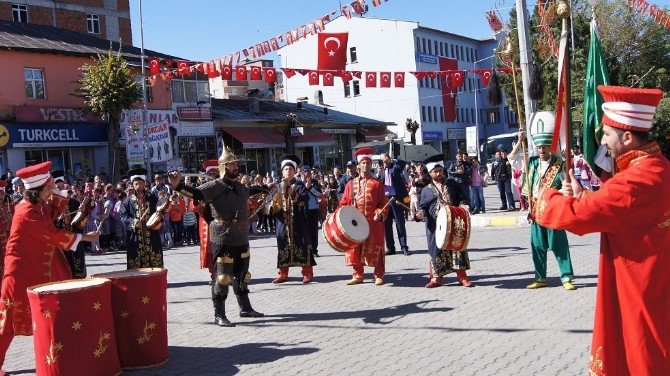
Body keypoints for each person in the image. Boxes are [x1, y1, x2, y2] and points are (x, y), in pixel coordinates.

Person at [534, 86, 669, 374]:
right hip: (658, 279)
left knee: (642, 355)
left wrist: (545, 197)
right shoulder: (659, 167)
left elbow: (580, 216)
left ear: (628, 137)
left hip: (638, 284)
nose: (603, 142)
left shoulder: (633, 181)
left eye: (607, 134)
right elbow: (619, 209)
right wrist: (582, 192)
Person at [0, 161, 99, 372]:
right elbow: (53, 234)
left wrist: (58, 191)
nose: (51, 191)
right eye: (48, 188)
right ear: (36, 191)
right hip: (21, 272)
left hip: (40, 268)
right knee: (8, 323)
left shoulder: (39, 206)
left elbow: (53, 210)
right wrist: (85, 238)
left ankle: (59, 356)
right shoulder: (26, 211)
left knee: (51, 313)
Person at [168, 147, 263, 327]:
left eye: (236, 164)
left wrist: (264, 189)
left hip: (241, 236)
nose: (236, 167)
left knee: (243, 275)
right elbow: (195, 194)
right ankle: (219, 314)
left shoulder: (239, 186)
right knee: (223, 277)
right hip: (223, 237)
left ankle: (245, 308)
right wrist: (178, 186)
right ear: (223, 167)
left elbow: (248, 192)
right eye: (232, 164)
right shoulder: (215, 185)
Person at [508, 112, 575, 290]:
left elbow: (567, 187)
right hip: (536, 210)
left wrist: (557, 192)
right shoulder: (531, 163)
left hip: (553, 208)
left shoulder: (559, 164)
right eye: (539, 148)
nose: (542, 151)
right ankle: (540, 277)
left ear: (549, 147)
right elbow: (512, 160)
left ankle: (566, 277)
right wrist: (519, 140)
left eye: (545, 147)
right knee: (537, 245)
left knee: (558, 244)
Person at [419, 154, 473, 288]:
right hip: (435, 225)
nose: (438, 173)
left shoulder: (452, 183)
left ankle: (462, 277)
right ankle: (436, 279)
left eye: (440, 170)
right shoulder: (426, 190)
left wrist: (463, 204)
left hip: (453, 222)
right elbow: (423, 207)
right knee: (436, 250)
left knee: (457, 248)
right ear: (430, 173)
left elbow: (463, 197)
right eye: (435, 171)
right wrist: (420, 213)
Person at [338, 148, 389, 285]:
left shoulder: (377, 184)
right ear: (358, 166)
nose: (365, 165)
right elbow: (343, 202)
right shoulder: (350, 184)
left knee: (376, 248)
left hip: (373, 222)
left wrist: (380, 212)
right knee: (355, 247)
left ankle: (379, 274)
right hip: (354, 223)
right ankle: (358, 274)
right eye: (363, 163)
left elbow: (383, 203)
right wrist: (339, 214)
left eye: (368, 163)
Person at [270, 157, 316, 283]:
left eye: (291, 169)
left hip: (298, 222)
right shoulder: (277, 187)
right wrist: (271, 206)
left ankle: (307, 273)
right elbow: (271, 203)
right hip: (282, 223)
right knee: (283, 246)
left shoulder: (300, 185)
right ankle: (283, 273)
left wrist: (292, 193)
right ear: (282, 171)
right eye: (286, 169)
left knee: (302, 245)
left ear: (294, 171)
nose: (288, 171)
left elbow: (303, 200)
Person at [119, 168, 164, 269]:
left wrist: (159, 220)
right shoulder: (127, 202)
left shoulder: (153, 198)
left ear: (145, 184)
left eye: (140, 183)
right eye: (136, 184)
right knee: (136, 263)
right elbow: (123, 216)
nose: (139, 186)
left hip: (151, 235)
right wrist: (133, 222)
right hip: (135, 237)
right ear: (132, 185)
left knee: (154, 262)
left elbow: (160, 212)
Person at [378, 153, 410, 256]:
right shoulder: (381, 172)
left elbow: (403, 163)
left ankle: (404, 247)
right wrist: (378, 175)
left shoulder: (395, 168)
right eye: (383, 161)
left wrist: (393, 160)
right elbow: (378, 184)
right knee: (387, 225)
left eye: (386, 160)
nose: (385, 162)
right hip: (386, 201)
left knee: (400, 224)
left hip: (397, 199)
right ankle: (391, 248)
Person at [301, 165, 323, 258]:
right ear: (301, 173)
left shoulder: (314, 182)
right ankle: (305, 250)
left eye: (310, 172)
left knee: (314, 231)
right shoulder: (298, 183)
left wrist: (310, 187)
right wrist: (306, 187)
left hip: (313, 210)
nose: (309, 174)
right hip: (302, 211)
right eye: (306, 172)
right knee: (304, 232)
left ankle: (314, 250)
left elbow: (319, 194)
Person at [0, 181, 11, 279]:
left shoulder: (2, 208)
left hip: (5, 243)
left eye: (2, 197)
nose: (1, 199)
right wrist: (7, 220)